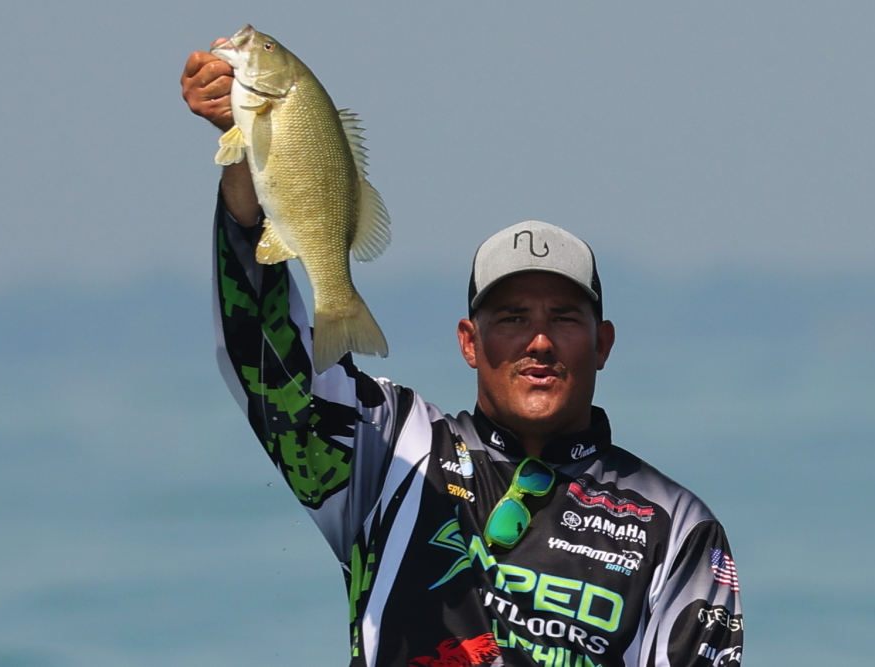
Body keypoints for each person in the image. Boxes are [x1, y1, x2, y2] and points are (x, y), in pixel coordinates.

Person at [182, 45, 744, 667]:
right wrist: (247, 164)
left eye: (563, 318)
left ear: (603, 343)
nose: (538, 341)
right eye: (512, 318)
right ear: (469, 343)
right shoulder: (391, 451)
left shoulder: (679, 527)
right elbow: (268, 366)